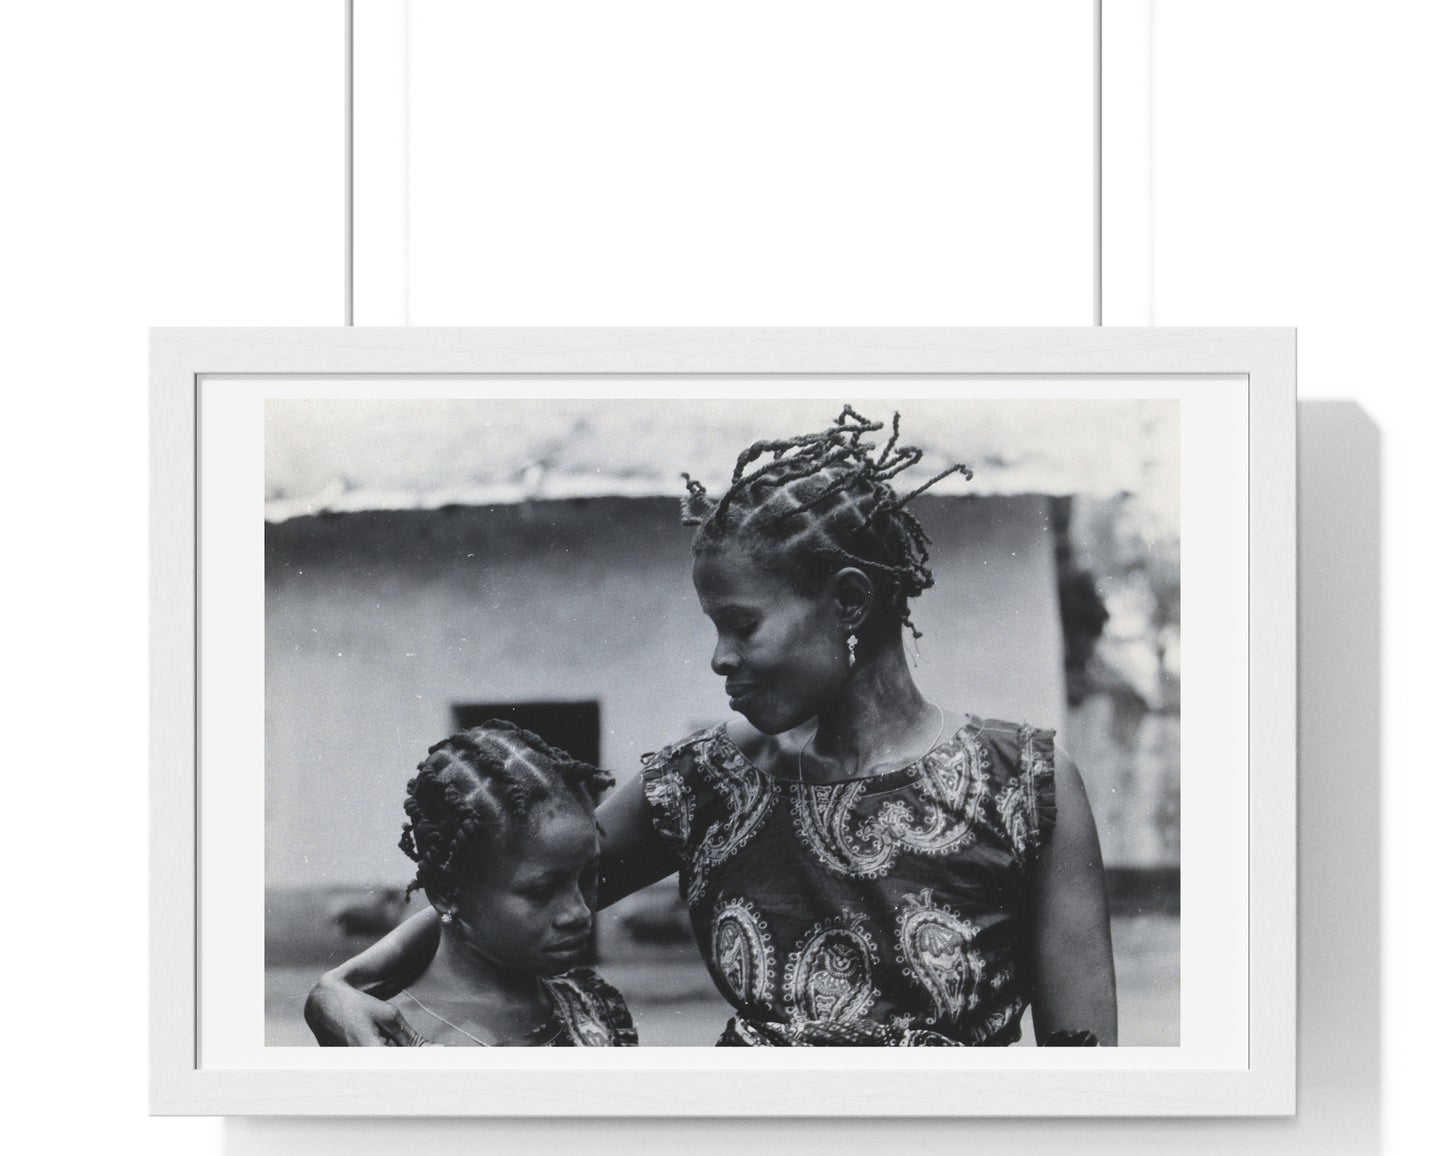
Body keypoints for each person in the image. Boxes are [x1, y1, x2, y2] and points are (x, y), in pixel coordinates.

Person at [307, 407, 1117, 1047]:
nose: (719, 659)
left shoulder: (1026, 789)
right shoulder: (705, 784)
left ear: (847, 603)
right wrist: (341, 987)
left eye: (740, 624)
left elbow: (1082, 1067)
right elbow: (499, 881)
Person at [304, 720, 636, 1046]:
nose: (578, 912)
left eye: (589, 877)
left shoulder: (595, 1007)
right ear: (446, 893)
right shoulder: (382, 1035)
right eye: (541, 891)